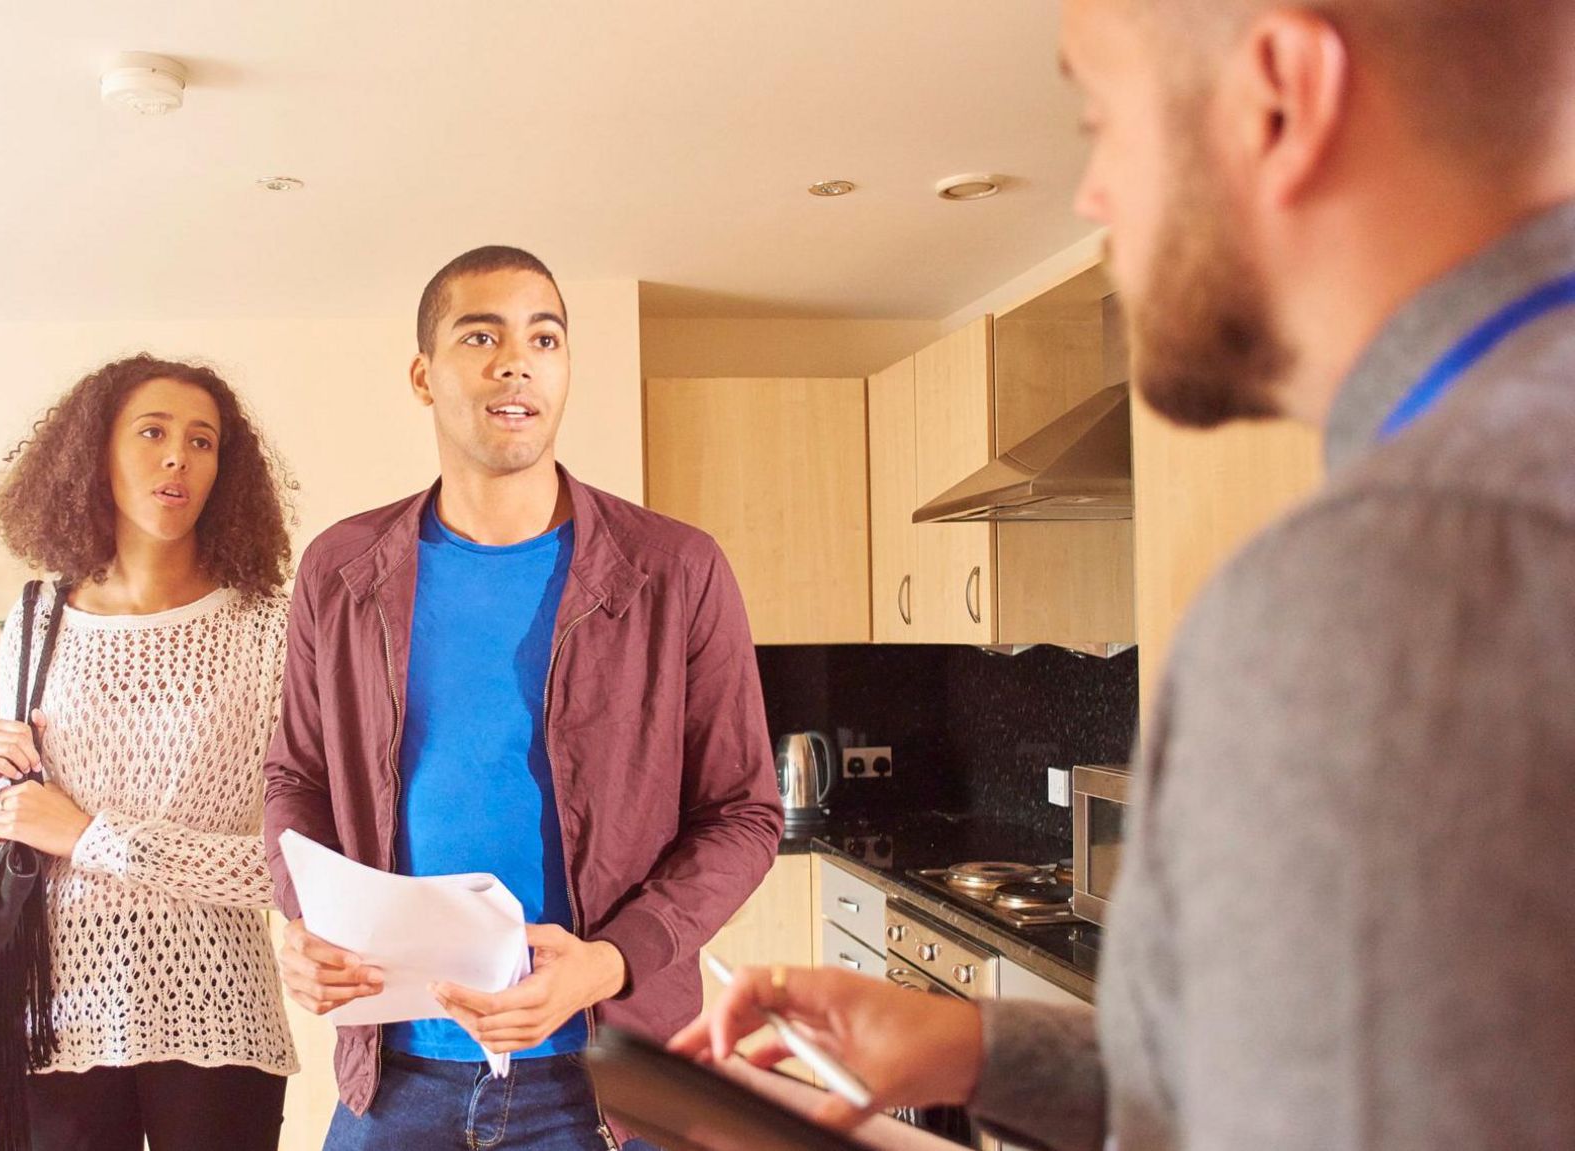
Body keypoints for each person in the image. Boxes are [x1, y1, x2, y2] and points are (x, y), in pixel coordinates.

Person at [674, 2, 1575, 1148]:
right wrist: (975, 1043)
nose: (1091, 195)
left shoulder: (1384, 582)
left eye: (1100, 120)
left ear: (1281, 96)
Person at [262, 245, 784, 1150]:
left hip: (613, 1075)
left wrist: (611, 962)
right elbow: (293, 780)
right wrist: (307, 923)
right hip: (395, 1075)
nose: (517, 360)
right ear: (424, 376)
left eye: (544, 337)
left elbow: (743, 813)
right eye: (481, 335)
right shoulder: (341, 570)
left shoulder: (676, 570)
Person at [0, 353, 300, 1151]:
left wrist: (92, 836)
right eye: (152, 432)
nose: (178, 456)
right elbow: (18, 817)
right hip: (58, 1008)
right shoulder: (36, 615)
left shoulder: (271, 629)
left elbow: (290, 867)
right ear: (97, 455)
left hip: (220, 1009)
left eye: (203, 440)